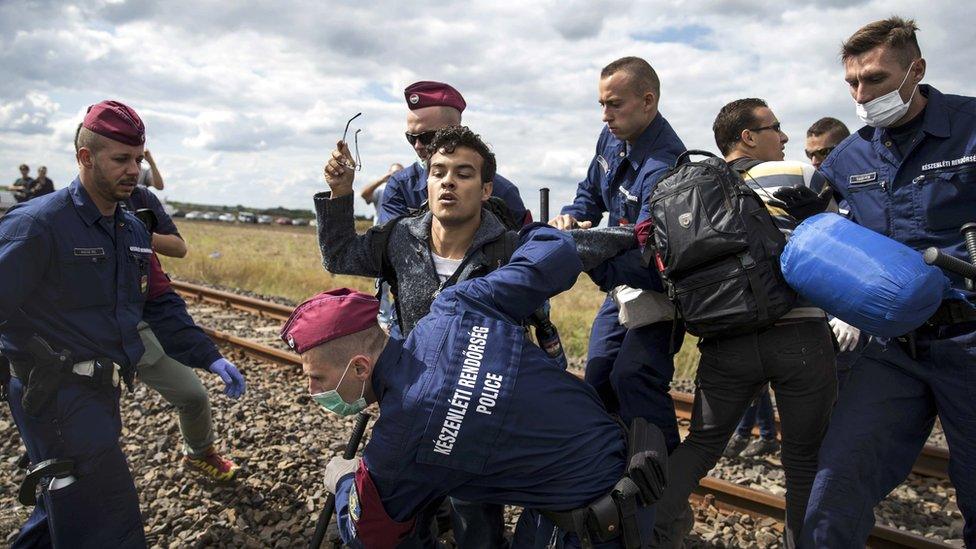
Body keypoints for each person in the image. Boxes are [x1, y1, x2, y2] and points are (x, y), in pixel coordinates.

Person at [319, 125, 637, 547]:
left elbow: (575, 247)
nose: (449, 181)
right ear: (427, 181)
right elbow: (339, 254)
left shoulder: (505, 246)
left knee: (475, 516)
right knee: (410, 512)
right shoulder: (399, 238)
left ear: (486, 189)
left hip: (476, 410)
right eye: (439, 171)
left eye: (464, 173)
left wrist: (641, 236)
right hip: (411, 402)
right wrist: (341, 194)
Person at [285, 226, 667, 548]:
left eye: (316, 377)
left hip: (589, 529)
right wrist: (532, 231)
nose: (311, 387)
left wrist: (344, 478)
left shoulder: (397, 443)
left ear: (359, 367)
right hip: (631, 467)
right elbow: (557, 251)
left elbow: (369, 534)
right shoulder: (457, 306)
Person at [0, 100, 246, 548]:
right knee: (108, 523)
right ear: (84, 158)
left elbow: (160, 303)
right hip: (52, 396)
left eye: (138, 158)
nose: (134, 170)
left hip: (100, 391)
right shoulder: (39, 224)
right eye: (120, 160)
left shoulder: (130, 229)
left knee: (58, 514)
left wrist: (209, 357)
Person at [801, 17, 976, 547]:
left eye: (875, 79)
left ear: (915, 70)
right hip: (892, 348)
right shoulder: (848, 156)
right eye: (852, 82)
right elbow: (823, 230)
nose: (861, 94)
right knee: (836, 485)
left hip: (969, 341)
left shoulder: (971, 126)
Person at [651, 98, 837, 548]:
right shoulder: (800, 175)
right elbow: (837, 254)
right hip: (799, 337)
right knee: (802, 459)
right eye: (776, 128)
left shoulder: (680, 193)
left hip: (723, 341)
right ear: (748, 137)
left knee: (700, 445)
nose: (786, 137)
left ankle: (639, 528)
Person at [550, 56, 687, 453]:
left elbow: (638, 246)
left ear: (648, 101)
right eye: (602, 105)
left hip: (657, 289)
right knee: (597, 376)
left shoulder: (666, 165)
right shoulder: (611, 138)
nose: (605, 115)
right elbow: (590, 191)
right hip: (621, 284)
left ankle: (666, 485)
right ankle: (613, 466)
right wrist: (573, 219)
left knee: (634, 376)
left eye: (615, 104)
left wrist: (581, 252)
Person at [378, 81, 528, 226]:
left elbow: (524, 243)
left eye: (427, 137)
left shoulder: (503, 192)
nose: (418, 146)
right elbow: (388, 243)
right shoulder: (401, 186)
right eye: (411, 138)